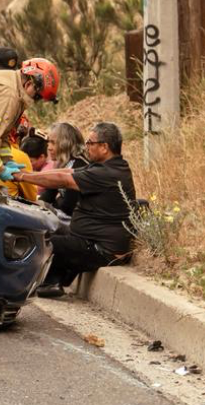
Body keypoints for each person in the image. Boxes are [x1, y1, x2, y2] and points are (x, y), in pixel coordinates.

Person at [12, 122, 136, 298]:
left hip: (101, 249)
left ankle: (47, 282)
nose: (87, 146)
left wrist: (22, 177)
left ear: (104, 147)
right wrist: (25, 174)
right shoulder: (108, 166)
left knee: (46, 242)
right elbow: (68, 172)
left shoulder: (106, 173)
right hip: (89, 240)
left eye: (90, 143)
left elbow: (64, 180)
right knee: (61, 239)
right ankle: (53, 282)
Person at [39, 122, 86, 216]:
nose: (49, 148)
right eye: (48, 142)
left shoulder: (79, 166)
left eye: (53, 143)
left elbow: (68, 208)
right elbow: (49, 194)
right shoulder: (64, 163)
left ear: (66, 144)